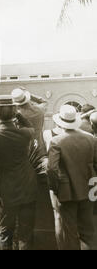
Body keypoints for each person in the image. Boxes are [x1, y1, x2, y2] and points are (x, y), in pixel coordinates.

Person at [0, 95, 38, 250]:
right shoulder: (25, 133)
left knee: (6, 232)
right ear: (14, 112)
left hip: (6, 192)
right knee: (25, 234)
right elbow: (31, 127)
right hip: (28, 188)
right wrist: (17, 114)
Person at [47, 105, 97, 250]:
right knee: (88, 232)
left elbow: (51, 169)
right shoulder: (90, 139)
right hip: (88, 189)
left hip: (66, 193)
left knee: (70, 233)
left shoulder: (56, 141)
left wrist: (55, 189)